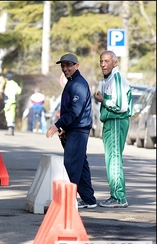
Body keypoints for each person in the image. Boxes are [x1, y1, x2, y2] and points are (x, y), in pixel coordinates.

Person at [46, 53, 97, 209]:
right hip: (74, 128)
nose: (65, 68)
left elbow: (75, 111)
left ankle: (68, 201)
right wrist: (65, 128)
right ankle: (89, 199)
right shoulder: (72, 82)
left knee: (72, 164)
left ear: (77, 66)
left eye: (68, 65)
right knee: (80, 165)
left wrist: (58, 126)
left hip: (78, 129)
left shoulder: (78, 84)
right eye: (62, 66)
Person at [93, 50, 133, 208]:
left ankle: (119, 197)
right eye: (101, 61)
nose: (103, 64)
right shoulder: (108, 79)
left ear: (115, 63)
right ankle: (115, 195)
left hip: (116, 121)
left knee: (114, 159)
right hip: (110, 122)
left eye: (107, 61)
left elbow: (121, 106)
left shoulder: (117, 78)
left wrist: (103, 100)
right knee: (111, 160)